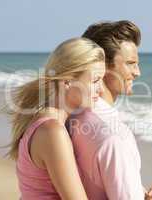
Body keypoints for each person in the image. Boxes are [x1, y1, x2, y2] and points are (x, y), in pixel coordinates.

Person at [67, 20, 152, 200]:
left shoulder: (73, 117)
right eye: (130, 63)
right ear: (102, 66)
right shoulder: (115, 138)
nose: (137, 72)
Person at [7, 38, 106, 199]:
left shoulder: (44, 120)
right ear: (67, 81)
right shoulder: (53, 131)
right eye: (95, 80)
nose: (101, 90)